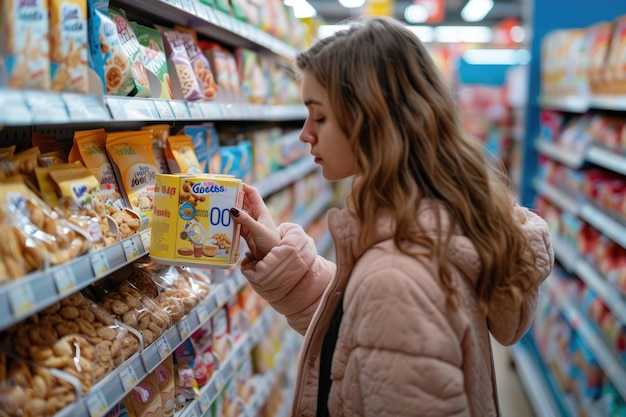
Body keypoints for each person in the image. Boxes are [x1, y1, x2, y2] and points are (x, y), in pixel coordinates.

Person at [229, 15, 554, 417]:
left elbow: (388, 306)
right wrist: (279, 255)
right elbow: (359, 339)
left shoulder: (397, 276)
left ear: (370, 120)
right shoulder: (417, 222)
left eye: (320, 116)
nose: (304, 134)